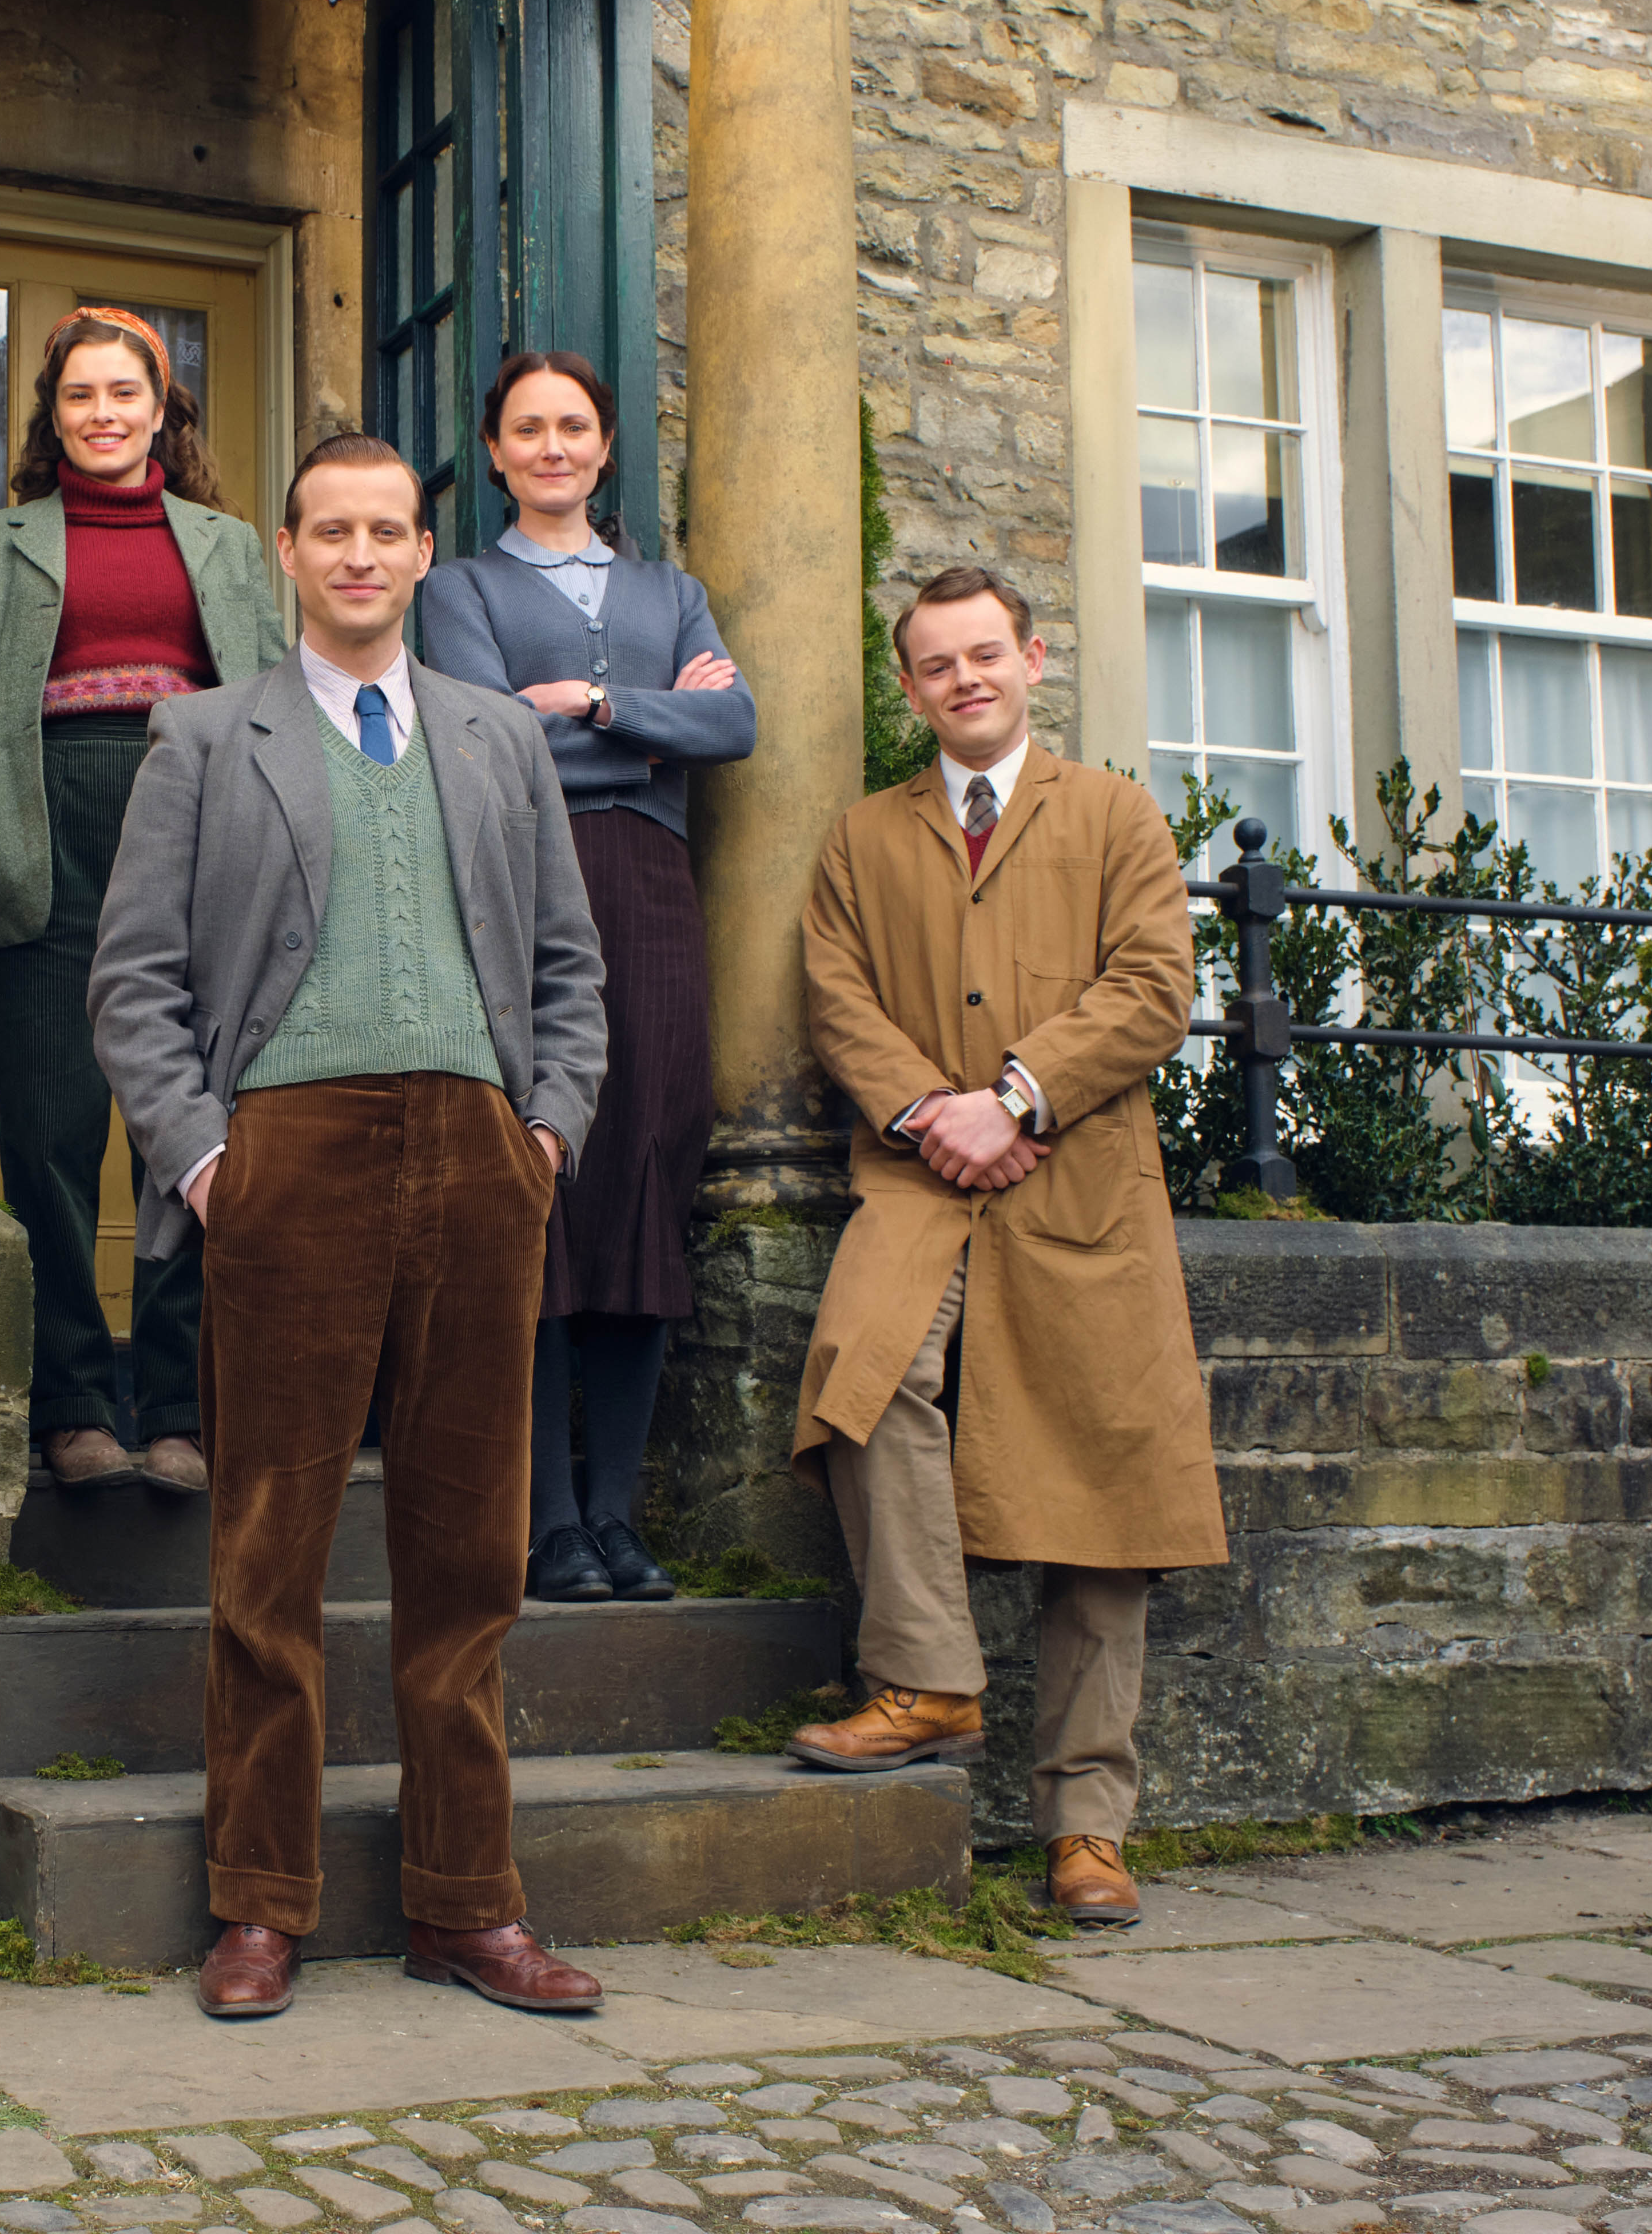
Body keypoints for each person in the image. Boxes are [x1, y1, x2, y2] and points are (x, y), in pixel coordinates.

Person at [89, 432, 613, 2021]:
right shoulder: (200, 737)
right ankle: (260, 1903)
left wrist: (545, 1136)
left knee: (470, 1556)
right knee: (269, 1554)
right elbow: (135, 982)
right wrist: (204, 1159)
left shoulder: (493, 739)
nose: (364, 556)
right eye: (334, 531)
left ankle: (470, 1902)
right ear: (287, 550)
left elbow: (570, 968)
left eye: (390, 531)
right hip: (287, 1160)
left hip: (476, 1157)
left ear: (421, 550)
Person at [779, 565, 1224, 1931]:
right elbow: (834, 990)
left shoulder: (1115, 814)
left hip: (1080, 1178)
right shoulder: (865, 837)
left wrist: (1020, 1096)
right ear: (908, 687)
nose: (965, 678)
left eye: (987, 654)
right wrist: (935, 1111)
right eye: (937, 664)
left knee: (1103, 1486)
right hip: (920, 1174)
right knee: (859, 1376)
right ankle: (928, 1677)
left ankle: (1088, 1825)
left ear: (1033, 659)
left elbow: (1153, 987)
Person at [419, 350, 756, 1608]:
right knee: (538, 1178)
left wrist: (599, 706)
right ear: (497, 454)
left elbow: (736, 728)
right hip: (527, 883)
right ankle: (547, 1521)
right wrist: (653, 717)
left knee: (645, 1175)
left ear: (605, 448)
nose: (553, 446)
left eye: (575, 426)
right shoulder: (460, 588)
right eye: (527, 429)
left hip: (657, 895)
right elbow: (490, 736)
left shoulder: (674, 592)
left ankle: (617, 1514)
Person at [0, 308, 283, 1496]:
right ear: (52, 415)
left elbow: (275, 699)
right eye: (79, 395)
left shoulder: (232, 545)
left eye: (124, 392)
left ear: (164, 408)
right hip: (45, 840)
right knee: (50, 1136)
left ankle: (183, 1408)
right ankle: (76, 1406)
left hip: (197, 839)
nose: (103, 413)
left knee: (188, 1133)